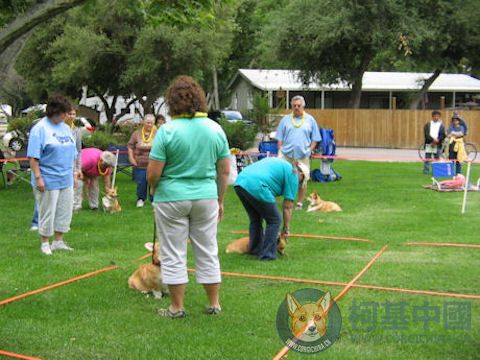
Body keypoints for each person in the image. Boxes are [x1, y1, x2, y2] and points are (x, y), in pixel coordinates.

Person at [147, 75, 230, 318]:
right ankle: (214, 304)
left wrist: (153, 189)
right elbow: (224, 170)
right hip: (206, 197)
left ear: (171, 102)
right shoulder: (216, 129)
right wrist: (220, 200)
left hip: (171, 198)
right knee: (207, 249)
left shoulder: (166, 131)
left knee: (173, 253)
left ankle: (177, 307)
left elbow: (153, 173)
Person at [27, 95, 77, 255]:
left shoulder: (65, 128)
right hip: (47, 178)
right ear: (56, 112)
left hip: (66, 178)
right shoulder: (40, 129)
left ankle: (58, 241)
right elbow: (34, 157)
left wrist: (75, 172)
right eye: (65, 113)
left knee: (64, 210)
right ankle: (45, 243)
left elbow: (72, 152)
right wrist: (38, 177)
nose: (67, 116)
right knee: (47, 211)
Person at [234, 157, 308, 261]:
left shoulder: (282, 164)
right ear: (301, 175)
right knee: (274, 220)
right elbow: (287, 206)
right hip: (257, 185)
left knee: (255, 218)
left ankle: (255, 250)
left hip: (240, 182)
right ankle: (267, 255)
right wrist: (286, 229)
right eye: (301, 182)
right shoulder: (294, 174)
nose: (299, 184)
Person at [276, 95, 321, 209]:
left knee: (303, 178)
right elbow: (279, 137)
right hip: (286, 155)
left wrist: (309, 150)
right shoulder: (285, 120)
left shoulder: (310, 120)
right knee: (282, 177)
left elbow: (315, 138)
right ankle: (284, 199)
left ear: (303, 106)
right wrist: (280, 150)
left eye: (299, 106)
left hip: (303, 155)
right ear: (291, 106)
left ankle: (300, 203)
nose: (296, 107)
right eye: (294, 105)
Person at [128, 114, 157, 207]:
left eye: (151, 123)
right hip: (139, 163)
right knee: (141, 182)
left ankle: (154, 200)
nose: (149, 125)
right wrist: (131, 158)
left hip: (154, 163)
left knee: (154, 182)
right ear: (143, 122)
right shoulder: (136, 133)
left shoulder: (158, 133)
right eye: (148, 122)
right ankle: (140, 199)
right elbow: (130, 146)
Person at [64, 107, 84, 211]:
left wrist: (78, 168)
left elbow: (79, 150)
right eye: (69, 114)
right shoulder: (59, 128)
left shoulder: (77, 131)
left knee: (78, 183)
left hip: (73, 162)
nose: (72, 116)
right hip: (61, 162)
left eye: (74, 114)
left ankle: (76, 205)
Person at [423, 110, 446, 174]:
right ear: (432, 117)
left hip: (438, 144)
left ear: (439, 117)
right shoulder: (428, 124)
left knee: (437, 158)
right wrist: (432, 140)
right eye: (435, 116)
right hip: (429, 143)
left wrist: (437, 140)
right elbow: (426, 134)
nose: (436, 117)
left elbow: (443, 135)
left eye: (437, 116)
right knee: (427, 158)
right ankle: (426, 171)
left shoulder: (441, 125)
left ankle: (437, 171)